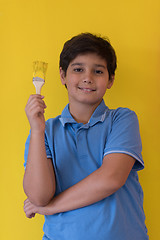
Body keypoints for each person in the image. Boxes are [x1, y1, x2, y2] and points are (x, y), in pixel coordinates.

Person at [23, 33, 149, 240]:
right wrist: (37, 130)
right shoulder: (44, 131)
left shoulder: (122, 119)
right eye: (78, 69)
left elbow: (110, 179)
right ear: (63, 76)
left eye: (98, 71)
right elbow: (38, 196)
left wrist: (52, 207)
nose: (87, 77)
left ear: (110, 80)